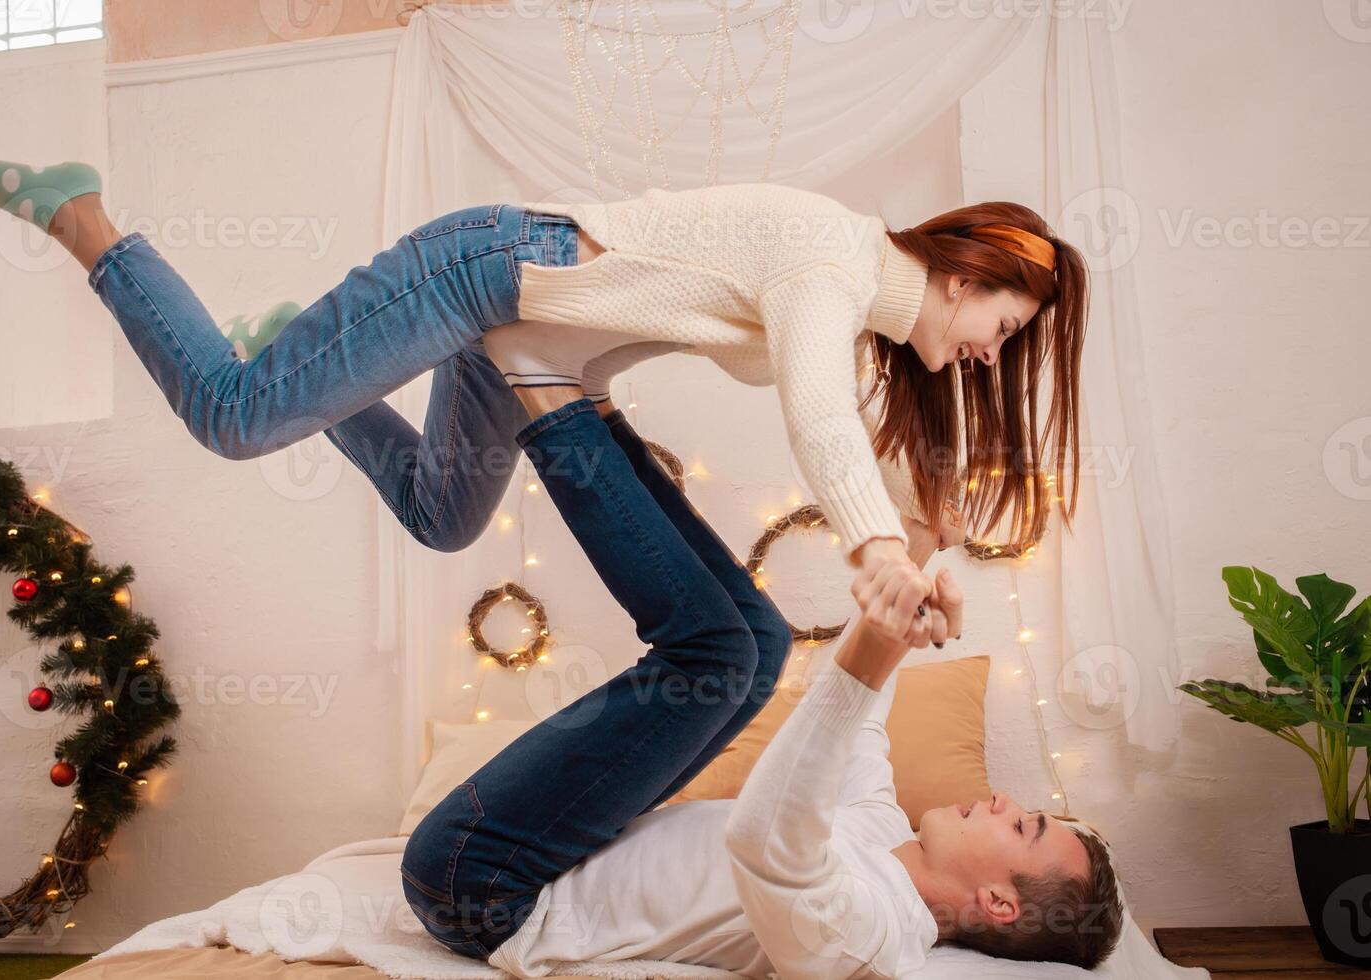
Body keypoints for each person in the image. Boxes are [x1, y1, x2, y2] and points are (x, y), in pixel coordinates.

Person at [0, 159, 1086, 642]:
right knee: (238, 417)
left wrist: (919, 558)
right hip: (482, 272)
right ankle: (84, 220)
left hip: (520, 350)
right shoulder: (829, 262)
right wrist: (876, 545)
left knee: (444, 514)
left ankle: (293, 351)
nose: (991, 356)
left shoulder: (863, 323)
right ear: (964, 274)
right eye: (1003, 330)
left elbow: (870, 442)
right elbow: (820, 425)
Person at [397, 387, 1123, 977]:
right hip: (550, 849)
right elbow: (858, 724)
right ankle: (585, 403)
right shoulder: (883, 832)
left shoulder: (864, 940)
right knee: (762, 644)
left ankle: (549, 403)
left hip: (487, 886)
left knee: (717, 659)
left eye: (1022, 825)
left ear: (997, 902)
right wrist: (919, 547)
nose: (1003, 802)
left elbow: (766, 838)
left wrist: (879, 643)